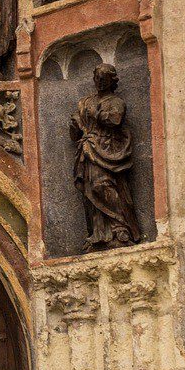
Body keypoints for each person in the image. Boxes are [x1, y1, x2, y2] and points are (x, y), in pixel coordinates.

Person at [70, 63, 141, 250]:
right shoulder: (85, 101)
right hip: (87, 149)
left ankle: (119, 226)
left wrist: (91, 114)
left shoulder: (116, 102)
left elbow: (114, 120)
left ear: (112, 81)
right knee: (89, 190)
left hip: (106, 148)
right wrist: (75, 124)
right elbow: (75, 133)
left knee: (101, 185)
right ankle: (99, 233)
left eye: (104, 78)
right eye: (97, 78)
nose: (100, 82)